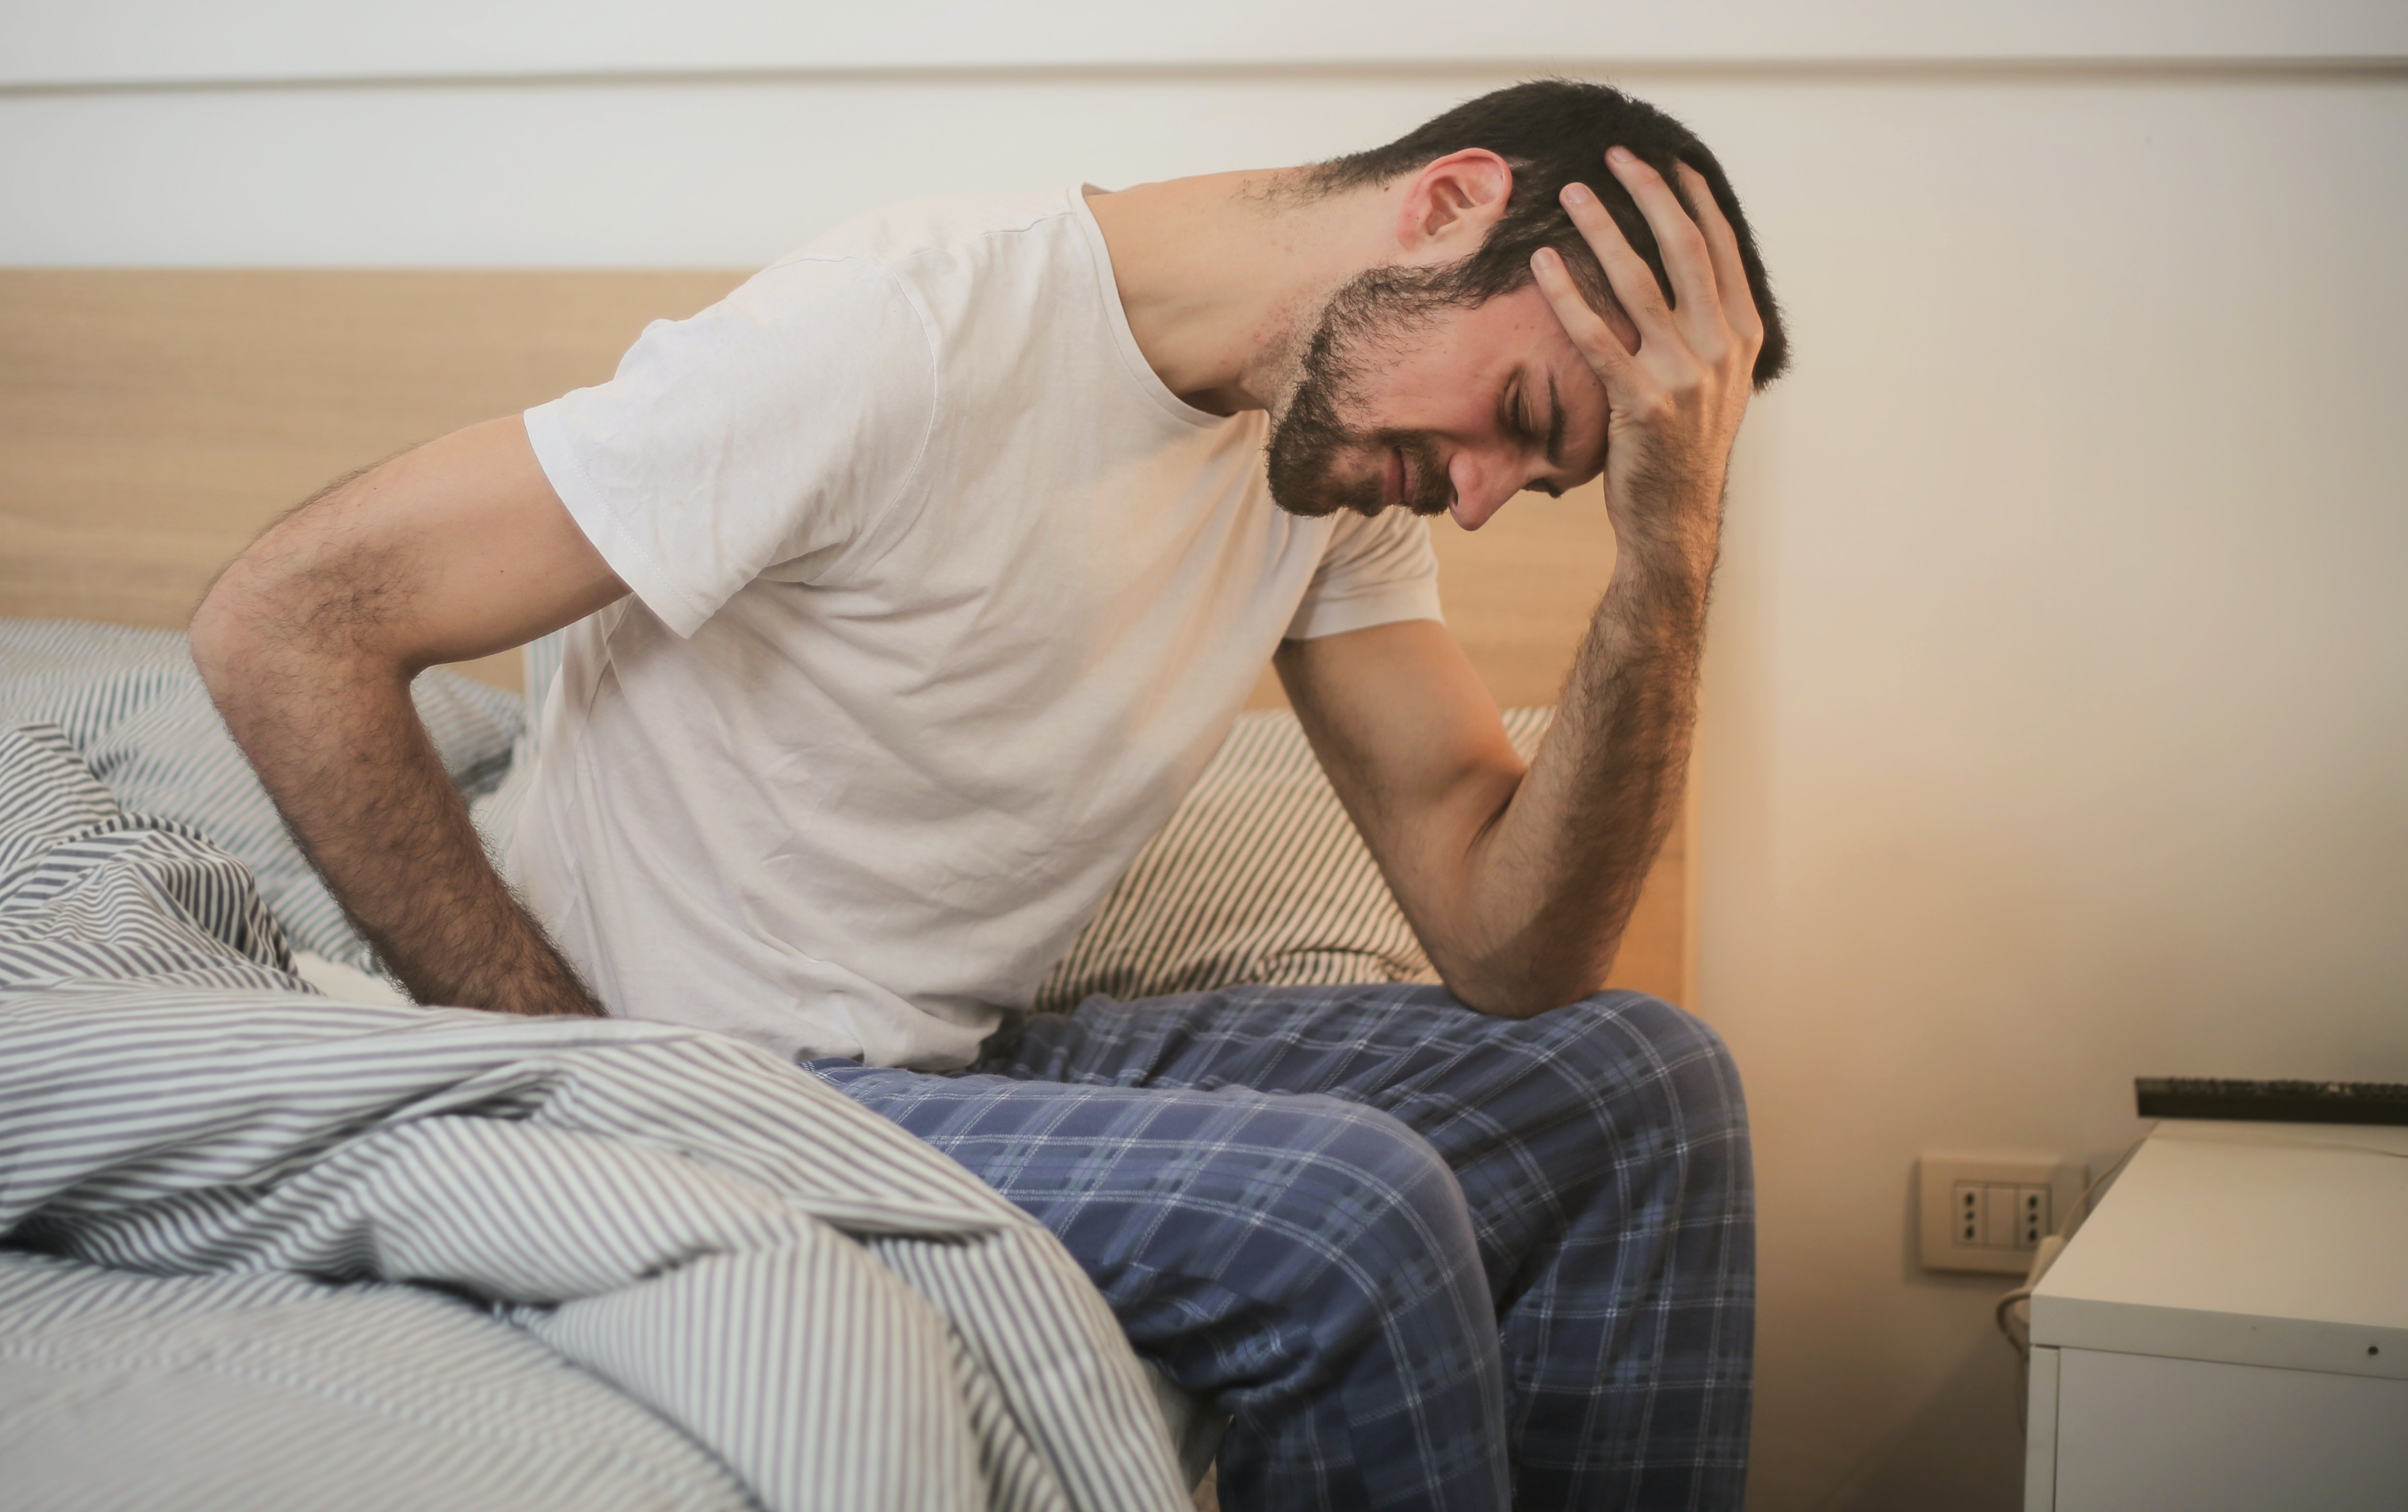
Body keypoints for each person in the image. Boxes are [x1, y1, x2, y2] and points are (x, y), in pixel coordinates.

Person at [193, 79, 1787, 1511]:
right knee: (1343, 1219)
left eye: (1551, 480)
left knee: (1636, 1087)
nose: (1489, 497)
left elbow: (1510, 949)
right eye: (1517, 420)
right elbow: (287, 620)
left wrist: (1669, 546)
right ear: (1445, 206)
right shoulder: (898, 333)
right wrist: (581, 1079)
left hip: (946, 1058)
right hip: (707, 1072)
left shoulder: (1331, 464)